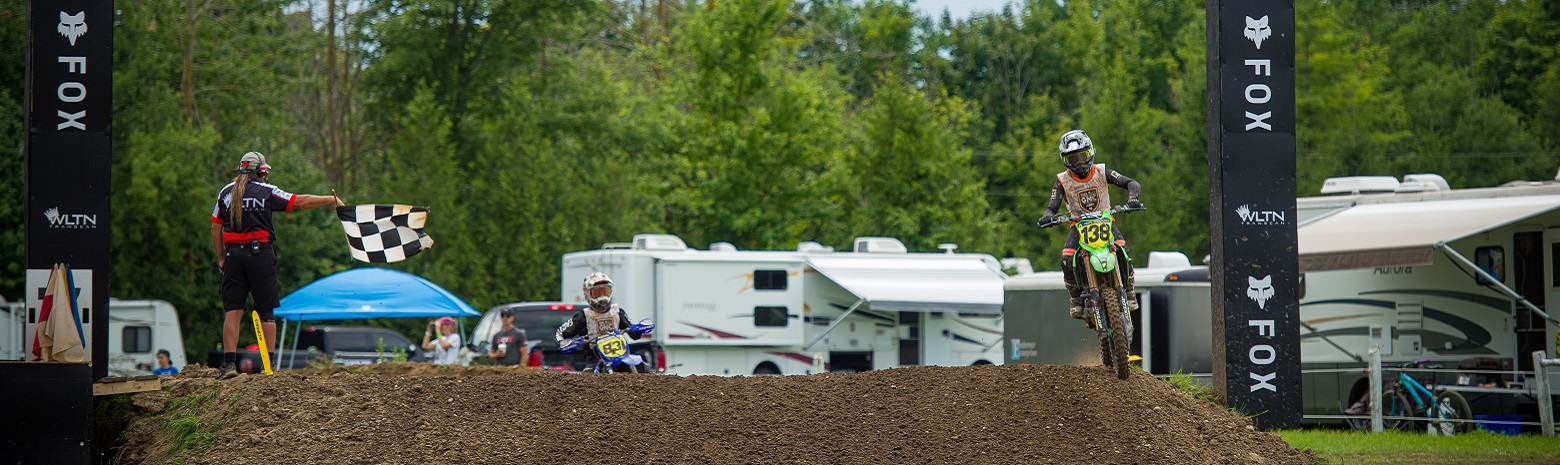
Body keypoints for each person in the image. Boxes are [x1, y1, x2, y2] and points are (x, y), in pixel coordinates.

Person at [211, 151, 342, 379]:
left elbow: (215, 227)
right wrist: (330, 199)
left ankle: (228, 366)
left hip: (233, 256)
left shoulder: (225, 192)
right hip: (259, 254)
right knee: (266, 312)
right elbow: (300, 201)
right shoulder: (267, 191)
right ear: (260, 171)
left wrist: (222, 258)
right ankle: (267, 366)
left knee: (233, 312)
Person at [1036, 129, 1144, 327]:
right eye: (1072, 159)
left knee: (1124, 251)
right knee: (1067, 259)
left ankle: (1128, 290)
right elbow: (1053, 205)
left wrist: (1133, 199)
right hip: (1079, 225)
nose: (1078, 163)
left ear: (1091, 152)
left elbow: (1131, 183)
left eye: (1082, 157)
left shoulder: (1102, 172)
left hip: (1106, 222)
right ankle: (1076, 297)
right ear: (1064, 160)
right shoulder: (1062, 180)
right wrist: (1047, 217)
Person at [554, 273, 649, 372]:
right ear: (588, 294)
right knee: (586, 380)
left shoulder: (617, 312)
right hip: (595, 359)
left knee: (643, 366)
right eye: (597, 293)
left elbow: (635, 335)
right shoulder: (583, 316)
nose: (602, 296)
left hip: (621, 357)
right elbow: (559, 333)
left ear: (611, 291)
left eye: (605, 291)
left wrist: (638, 328)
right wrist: (565, 343)